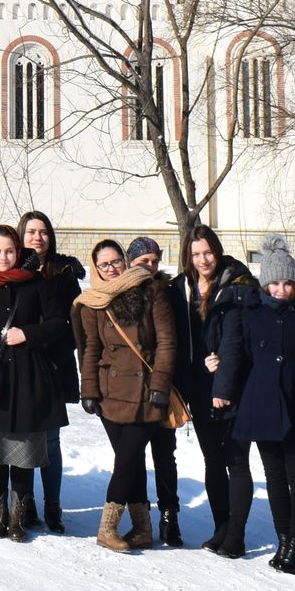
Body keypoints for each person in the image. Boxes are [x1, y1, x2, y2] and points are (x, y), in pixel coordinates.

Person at [213, 236, 295, 573]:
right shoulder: (250, 314)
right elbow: (238, 356)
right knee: (274, 477)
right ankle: (283, 539)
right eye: (275, 283)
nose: (281, 289)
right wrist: (220, 374)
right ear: (265, 283)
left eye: (288, 283)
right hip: (262, 403)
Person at [75, 235, 177, 554]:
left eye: (115, 261)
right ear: (97, 268)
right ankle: (143, 528)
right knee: (129, 462)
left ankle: (107, 528)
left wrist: (160, 385)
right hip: (109, 393)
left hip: (146, 392)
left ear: (124, 260)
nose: (110, 268)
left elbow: (166, 343)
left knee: (126, 459)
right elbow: (91, 349)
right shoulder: (94, 301)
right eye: (103, 264)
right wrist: (88, 389)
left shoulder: (151, 290)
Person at [0, 223, 66, 543]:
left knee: (22, 450)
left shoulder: (35, 282)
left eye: (10, 250)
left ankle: (18, 517)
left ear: (19, 251)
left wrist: (28, 334)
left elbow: (58, 323)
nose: (4, 256)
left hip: (27, 375)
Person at [169, 224, 258, 553]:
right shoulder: (181, 288)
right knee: (212, 460)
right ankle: (222, 526)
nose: (203, 259)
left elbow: (242, 338)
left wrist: (224, 365)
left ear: (217, 251)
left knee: (236, 461)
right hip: (199, 388)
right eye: (195, 254)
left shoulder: (236, 284)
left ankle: (237, 534)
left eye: (207, 252)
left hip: (236, 384)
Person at [18, 209, 83, 533]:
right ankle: (27, 502)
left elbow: (76, 321)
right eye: (31, 231)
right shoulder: (14, 269)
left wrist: (57, 340)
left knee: (51, 439)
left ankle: (53, 506)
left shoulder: (64, 273)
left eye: (42, 231)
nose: (37, 237)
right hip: (23, 364)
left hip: (54, 363)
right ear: (21, 235)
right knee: (28, 436)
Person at [124, 234, 182, 546]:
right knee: (133, 456)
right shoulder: (120, 291)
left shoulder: (164, 292)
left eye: (154, 262)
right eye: (142, 261)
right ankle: (141, 518)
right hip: (128, 389)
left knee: (164, 455)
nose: (149, 266)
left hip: (159, 386)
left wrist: (160, 384)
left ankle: (170, 517)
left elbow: (168, 343)